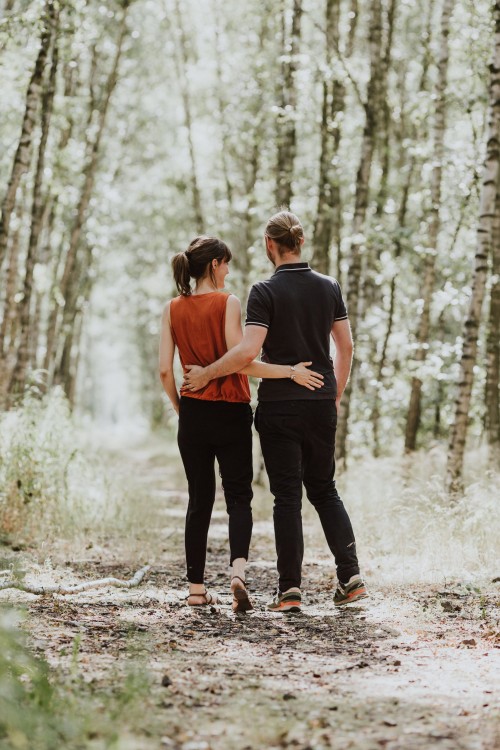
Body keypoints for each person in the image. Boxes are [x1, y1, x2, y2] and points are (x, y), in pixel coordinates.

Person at [183, 212, 367, 611]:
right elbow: (346, 347)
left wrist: (207, 374)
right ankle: (350, 577)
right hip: (320, 401)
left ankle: (290, 591)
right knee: (325, 490)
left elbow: (248, 352)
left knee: (287, 498)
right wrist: (334, 393)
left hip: (280, 407)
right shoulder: (329, 287)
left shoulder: (263, 291)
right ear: (299, 242)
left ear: (270, 244)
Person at [159, 235, 324, 612]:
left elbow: (163, 370)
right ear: (215, 264)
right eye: (226, 263)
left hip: (194, 414)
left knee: (198, 500)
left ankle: (196, 589)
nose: (229, 271)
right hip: (231, 410)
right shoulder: (228, 302)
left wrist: (182, 409)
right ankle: (237, 573)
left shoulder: (171, 309)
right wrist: (289, 372)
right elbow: (243, 360)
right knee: (239, 498)